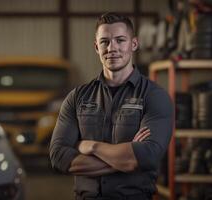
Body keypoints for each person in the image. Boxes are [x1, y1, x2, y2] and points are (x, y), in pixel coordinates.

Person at [49, 12, 173, 200]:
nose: (111, 48)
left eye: (120, 40)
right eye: (105, 41)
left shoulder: (154, 96)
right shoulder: (76, 98)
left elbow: (147, 155)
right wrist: (126, 159)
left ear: (134, 44)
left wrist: (90, 146)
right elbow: (59, 157)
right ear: (96, 47)